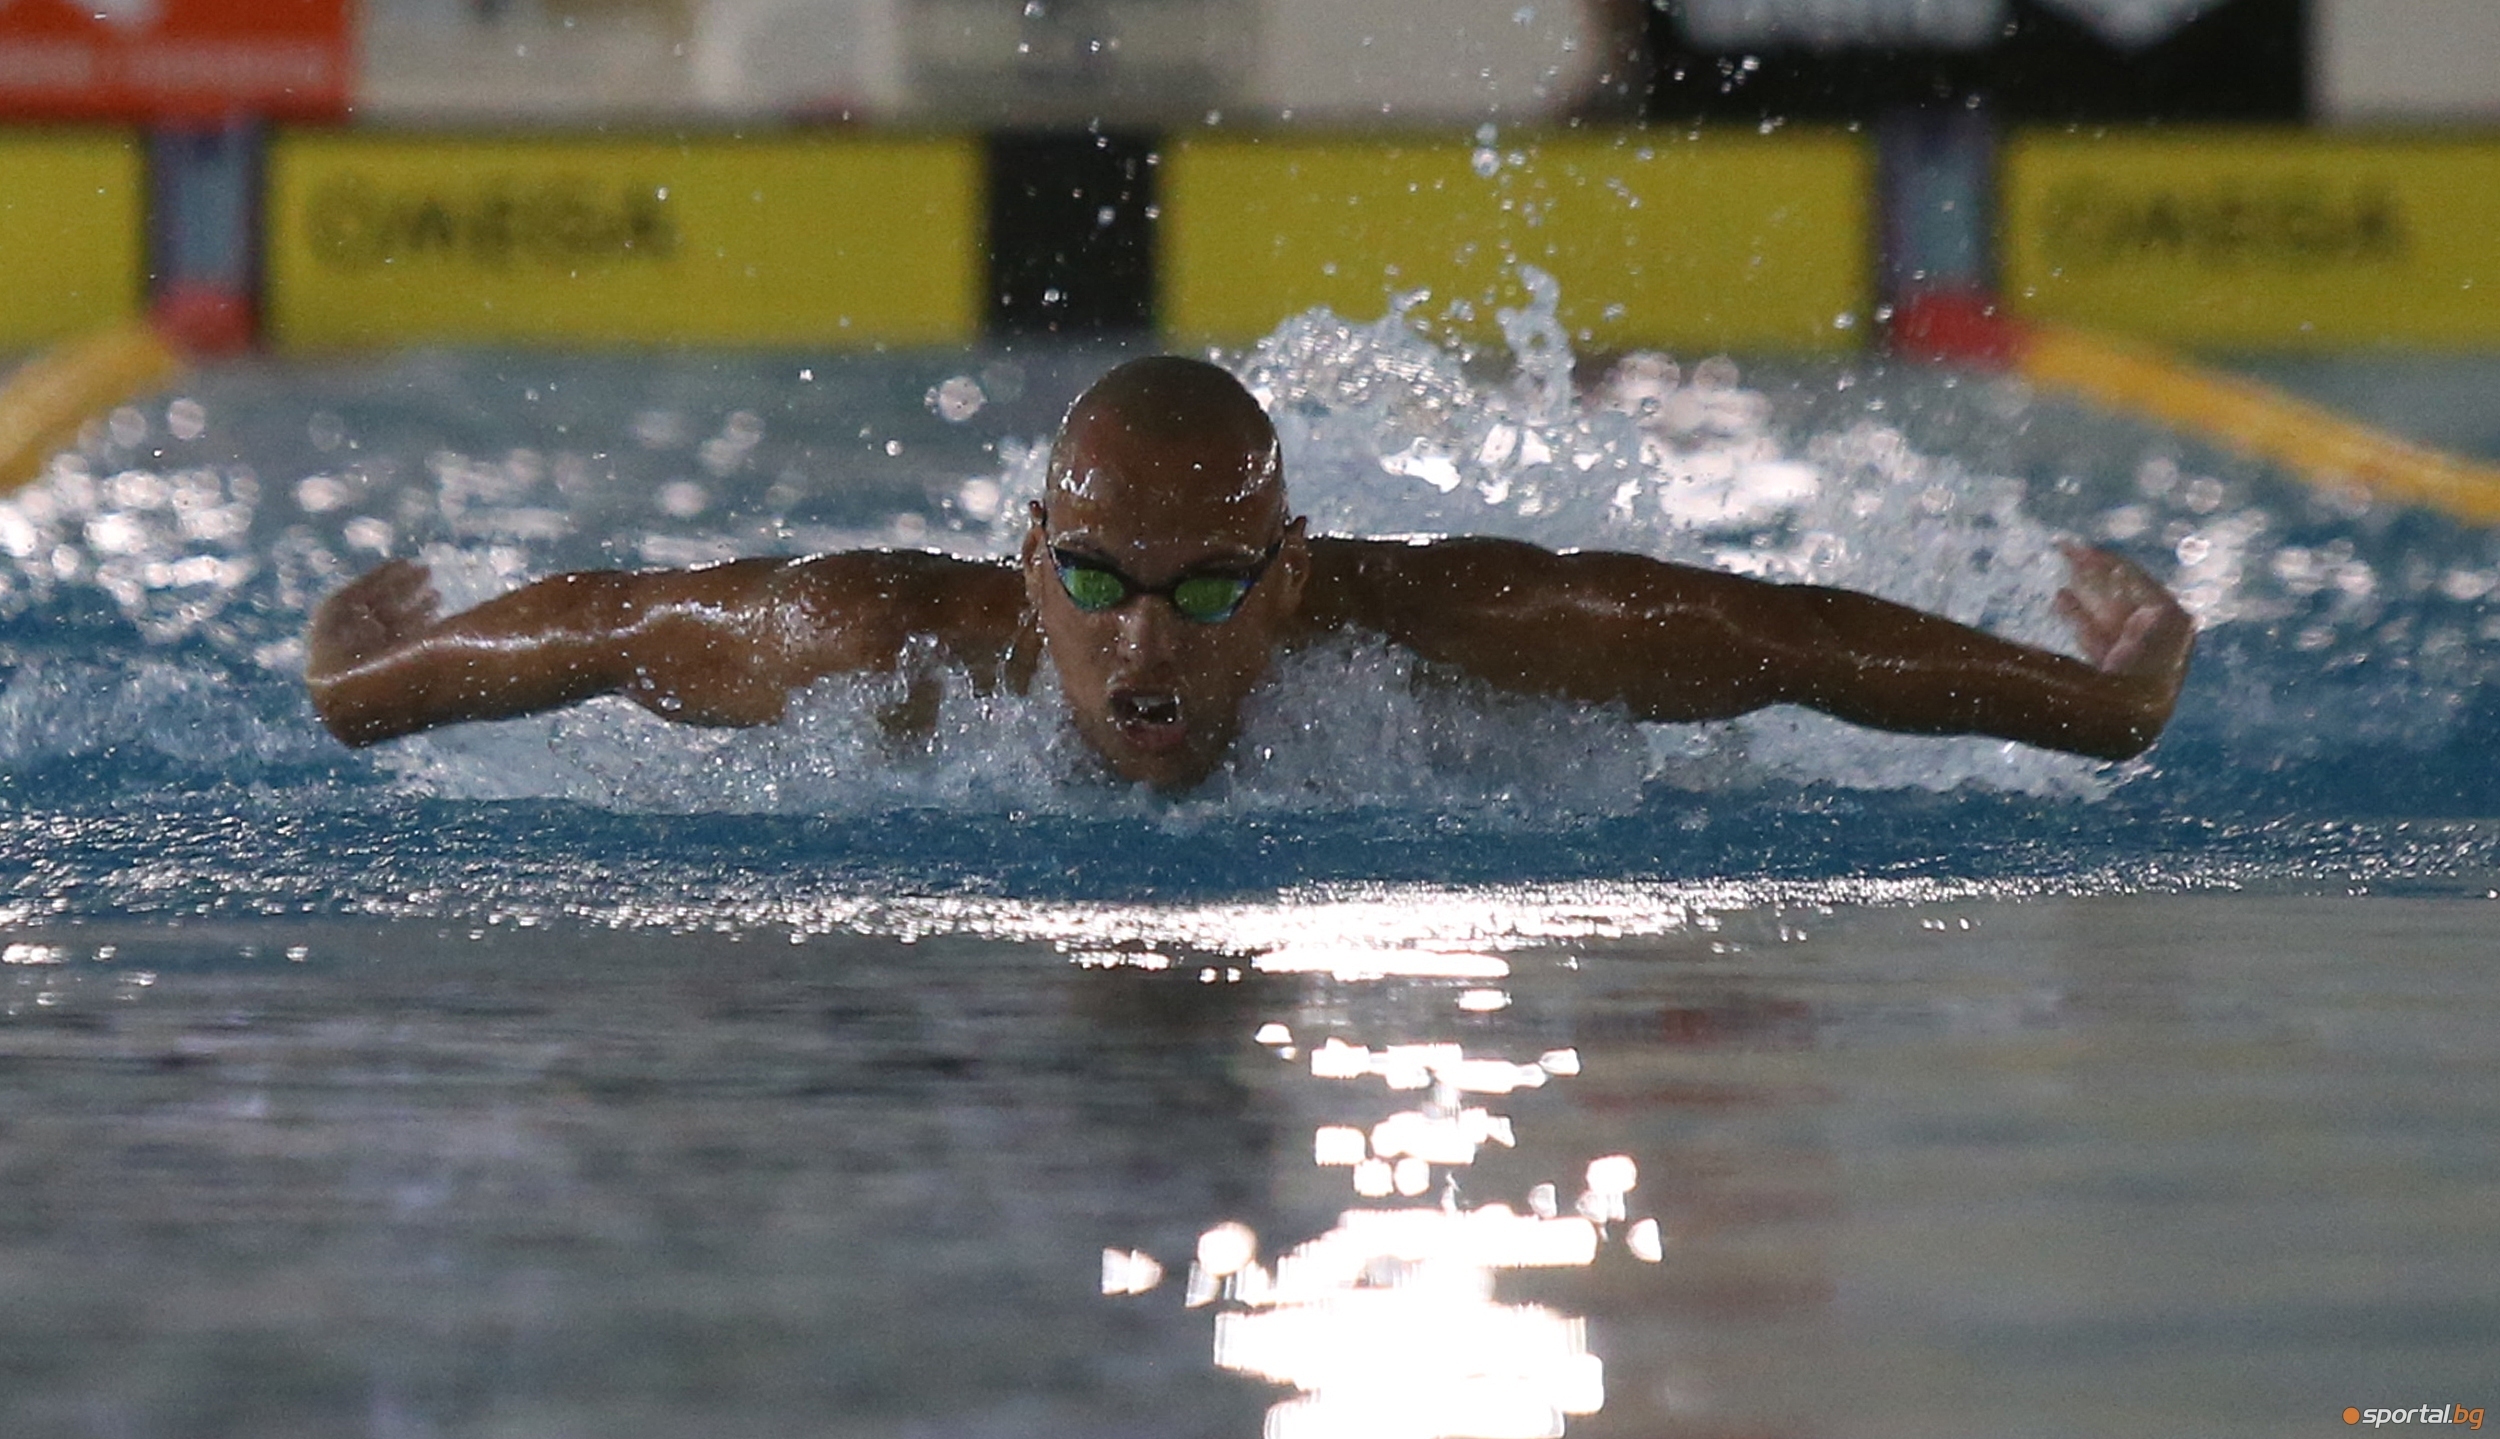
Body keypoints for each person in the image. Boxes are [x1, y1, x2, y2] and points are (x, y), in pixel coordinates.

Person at [307, 355, 2196, 791]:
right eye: (1098, 584)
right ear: (1027, 563)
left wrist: (2095, 704)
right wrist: (368, 675)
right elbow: (615, 626)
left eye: (1209, 590)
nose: (1145, 641)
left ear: (1290, 580)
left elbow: (1771, 638)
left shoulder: (1449, 632)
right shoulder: (880, 639)